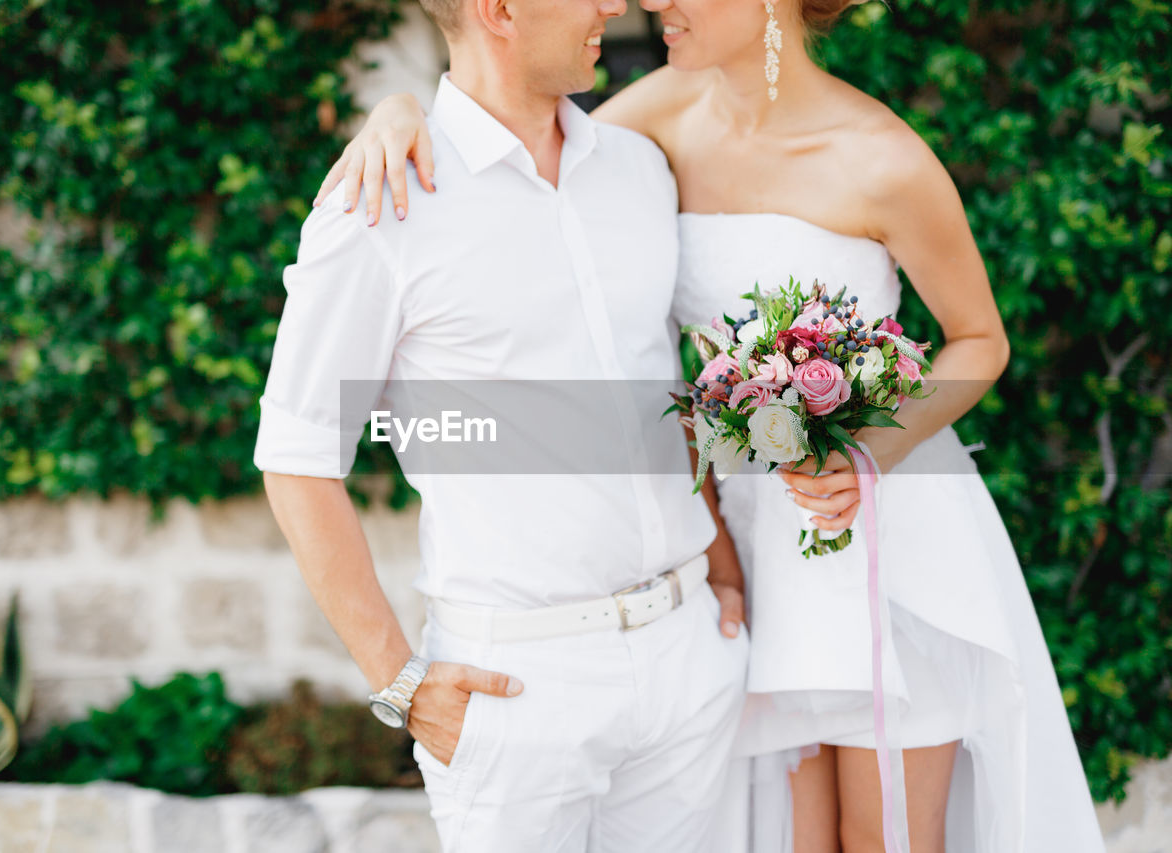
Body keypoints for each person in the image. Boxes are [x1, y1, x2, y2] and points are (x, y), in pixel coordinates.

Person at [311, 0, 1107, 850]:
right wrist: (397, 115)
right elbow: (510, 143)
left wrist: (868, 455)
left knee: (888, 839)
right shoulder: (652, 118)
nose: (649, 1)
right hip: (745, 551)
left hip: (878, 530)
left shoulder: (882, 158)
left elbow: (980, 340)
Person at [253, 0, 752, 850]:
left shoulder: (639, 169)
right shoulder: (381, 200)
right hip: (518, 686)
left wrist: (722, 572)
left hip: (687, 659)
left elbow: (662, 393)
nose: (613, 6)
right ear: (498, 10)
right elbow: (297, 458)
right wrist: (400, 683)